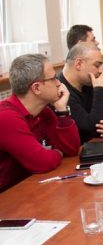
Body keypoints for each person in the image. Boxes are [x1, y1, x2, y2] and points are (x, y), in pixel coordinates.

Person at [0, 54, 80, 193]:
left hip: (29, 187)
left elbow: (71, 149)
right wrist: (58, 152)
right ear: (36, 88)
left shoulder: (43, 111)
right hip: (7, 195)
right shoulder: (6, 117)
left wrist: (62, 111)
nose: (59, 83)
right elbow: (42, 162)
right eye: (54, 78)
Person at [59, 44, 103, 143]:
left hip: (96, 145)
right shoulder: (61, 92)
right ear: (78, 64)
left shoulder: (88, 83)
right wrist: (100, 90)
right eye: (97, 65)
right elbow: (91, 130)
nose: (101, 71)